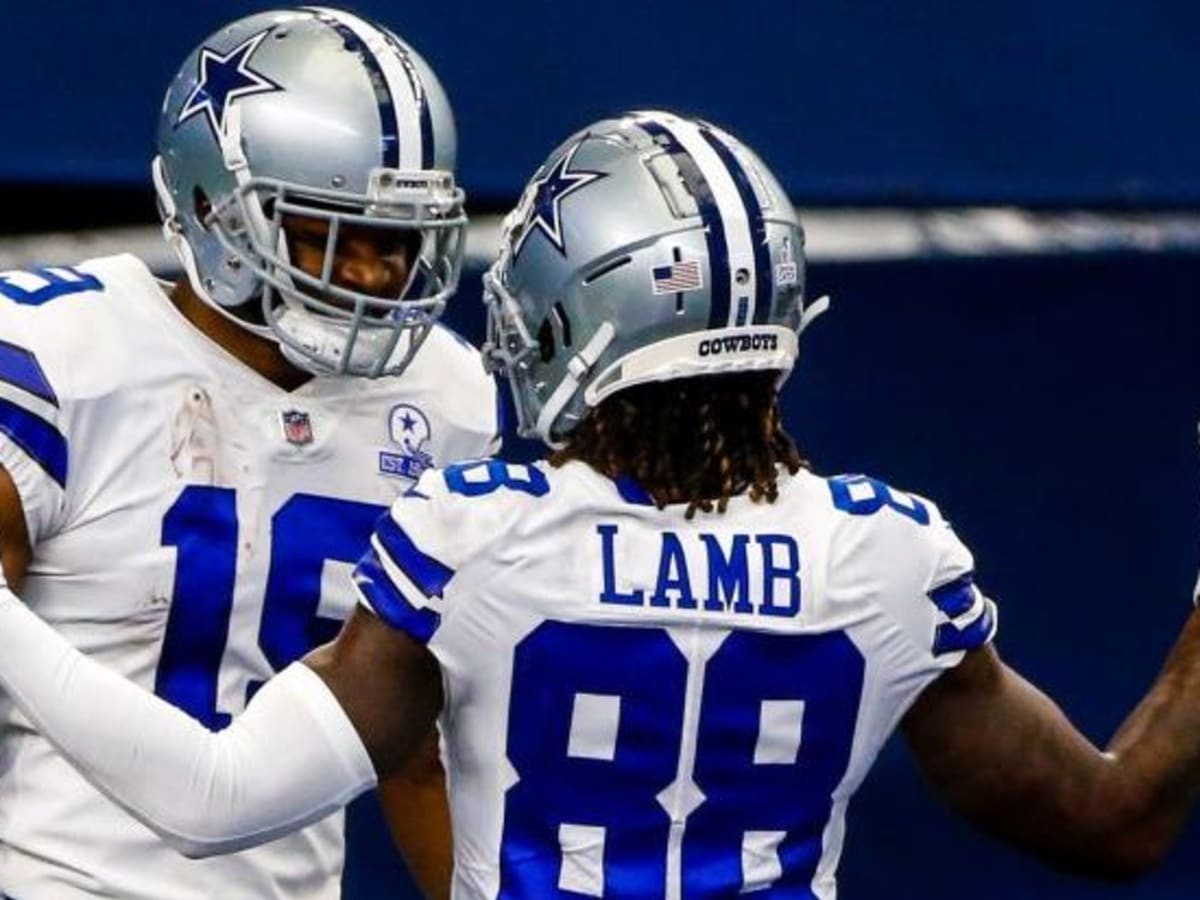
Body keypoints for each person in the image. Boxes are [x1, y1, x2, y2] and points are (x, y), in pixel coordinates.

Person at [0, 108, 1198, 898]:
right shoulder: (888, 557)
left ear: (577, 326)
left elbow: (210, 801)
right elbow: (1114, 820)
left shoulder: (478, 539)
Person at [0, 8, 494, 900]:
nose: (376, 275)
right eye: (329, 234)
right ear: (206, 205)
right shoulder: (56, 354)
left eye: (399, 242)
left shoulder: (446, 400)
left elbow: (421, 758)